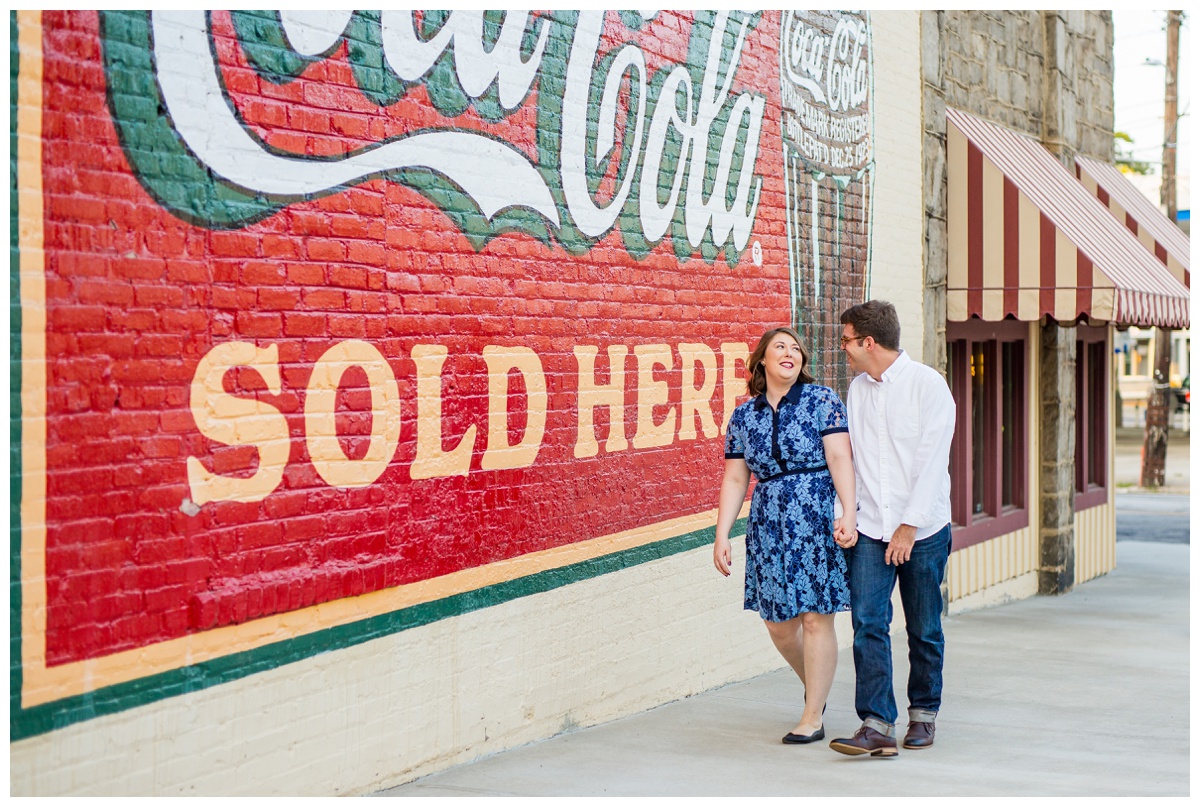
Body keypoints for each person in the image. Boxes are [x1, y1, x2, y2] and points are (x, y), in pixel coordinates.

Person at [714, 326, 858, 745]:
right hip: (768, 521)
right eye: (780, 347)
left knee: (815, 617)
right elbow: (736, 478)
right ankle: (817, 688)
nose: (790, 352)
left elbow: (839, 456)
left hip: (814, 516)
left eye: (796, 348)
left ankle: (812, 715)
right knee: (778, 624)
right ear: (762, 360)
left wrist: (848, 510)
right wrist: (722, 534)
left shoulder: (822, 401)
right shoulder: (744, 415)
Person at [828, 300, 956, 758]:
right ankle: (877, 723)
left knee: (923, 627)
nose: (841, 348)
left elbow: (931, 461)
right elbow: (854, 461)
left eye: (845, 340)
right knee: (867, 624)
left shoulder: (928, 385)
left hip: (921, 531)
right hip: (869, 527)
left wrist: (907, 526)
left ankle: (923, 714)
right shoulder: (858, 389)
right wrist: (847, 513)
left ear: (868, 341)